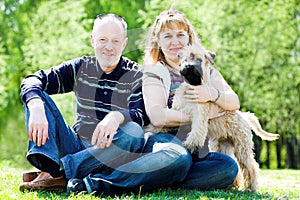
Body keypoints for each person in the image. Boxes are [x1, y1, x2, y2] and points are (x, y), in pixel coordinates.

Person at [19, 13, 191, 196]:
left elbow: (140, 113)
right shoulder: (81, 67)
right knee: (38, 96)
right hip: (76, 145)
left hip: (112, 149)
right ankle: (56, 168)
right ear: (93, 40)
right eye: (103, 39)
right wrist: (36, 105)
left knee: (134, 133)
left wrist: (116, 117)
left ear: (124, 44)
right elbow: (34, 80)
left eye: (115, 41)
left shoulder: (135, 74)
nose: (109, 47)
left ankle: (58, 174)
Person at [142, 7, 240, 190]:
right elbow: (157, 116)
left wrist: (212, 94)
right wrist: (203, 114)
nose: (175, 42)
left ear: (189, 37)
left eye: (180, 34)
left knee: (227, 168)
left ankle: (164, 179)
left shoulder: (207, 69)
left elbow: (234, 102)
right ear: (158, 41)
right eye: (167, 36)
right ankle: (167, 172)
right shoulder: (154, 71)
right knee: (178, 157)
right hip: (165, 141)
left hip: (197, 148)